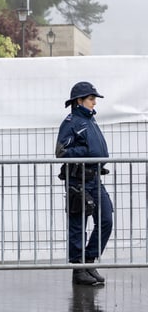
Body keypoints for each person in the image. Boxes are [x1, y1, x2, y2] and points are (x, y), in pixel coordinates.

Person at [55, 81, 113, 286]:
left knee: (106, 220)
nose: (94, 102)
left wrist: (95, 160)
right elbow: (61, 152)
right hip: (77, 181)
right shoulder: (71, 122)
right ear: (79, 101)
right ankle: (78, 270)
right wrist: (87, 153)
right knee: (78, 225)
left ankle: (88, 261)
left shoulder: (90, 120)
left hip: (94, 178)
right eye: (91, 98)